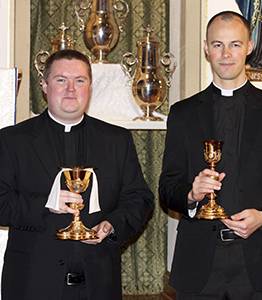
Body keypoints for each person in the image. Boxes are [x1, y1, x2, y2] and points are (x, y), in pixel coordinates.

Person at [159, 11, 262, 299]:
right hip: (199, 265)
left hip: (257, 263)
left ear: (249, 47)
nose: (226, 54)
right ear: (205, 48)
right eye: (217, 45)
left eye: (235, 45)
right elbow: (167, 189)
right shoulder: (182, 114)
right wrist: (191, 194)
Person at [0, 49, 154, 300]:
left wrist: (112, 225)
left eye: (79, 81)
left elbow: (140, 199)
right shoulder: (12, 140)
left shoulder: (116, 140)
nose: (71, 89)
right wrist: (46, 204)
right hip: (32, 284)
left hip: (98, 284)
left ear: (90, 87)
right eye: (61, 80)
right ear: (44, 86)